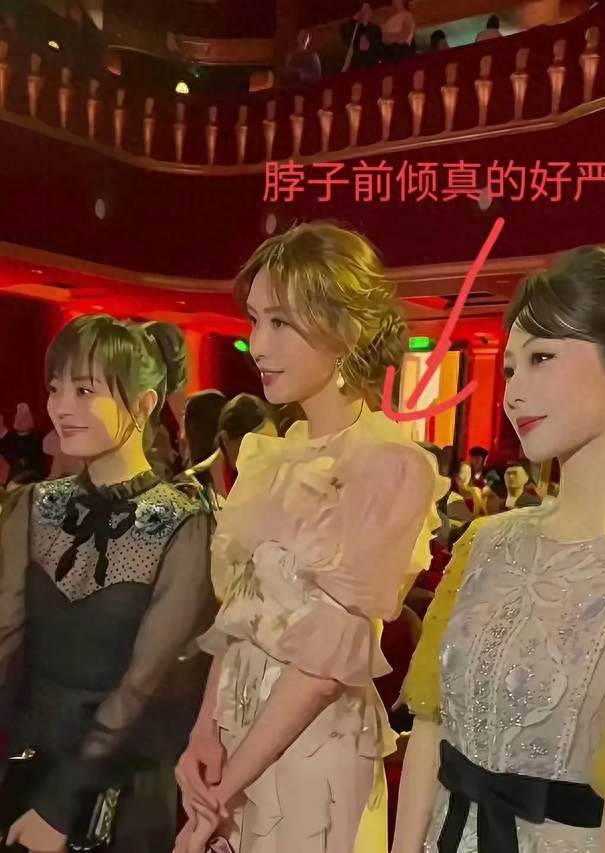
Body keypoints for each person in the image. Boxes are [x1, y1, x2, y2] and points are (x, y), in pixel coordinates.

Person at [174, 223, 446, 853]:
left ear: (343, 329)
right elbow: (240, 613)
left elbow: (326, 665)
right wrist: (205, 730)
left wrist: (220, 795)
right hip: (236, 736)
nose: (256, 344)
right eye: (254, 320)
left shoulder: (390, 464)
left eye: (280, 323)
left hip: (312, 749)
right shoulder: (272, 454)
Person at [393, 245, 605, 853]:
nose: (513, 393)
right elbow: (428, 728)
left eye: (542, 358)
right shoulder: (485, 543)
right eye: (508, 370)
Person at [0, 314, 212, 853]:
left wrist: (60, 806)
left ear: (142, 405)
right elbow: (4, 641)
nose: (61, 407)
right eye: (55, 388)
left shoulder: (183, 524)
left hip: (122, 789)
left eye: (84, 390)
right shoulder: (32, 505)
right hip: (28, 765)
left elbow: (147, 683)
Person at [0, 403, 47, 485]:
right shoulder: (10, 436)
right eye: (18, 416)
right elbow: (4, 452)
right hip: (12, 470)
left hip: (32, 474)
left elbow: (38, 463)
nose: (21, 420)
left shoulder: (37, 437)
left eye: (25, 416)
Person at [341, 3, 383, 71]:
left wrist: (365, 24)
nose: (366, 12)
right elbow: (349, 39)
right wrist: (355, 20)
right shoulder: (347, 27)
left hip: (373, 63)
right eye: (364, 10)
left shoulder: (375, 29)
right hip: (356, 64)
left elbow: (377, 47)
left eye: (368, 10)